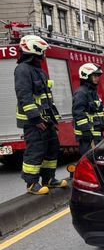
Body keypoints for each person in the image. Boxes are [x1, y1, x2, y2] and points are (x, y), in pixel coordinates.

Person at [14, 35, 68, 195]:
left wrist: (52, 118)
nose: (44, 54)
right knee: (35, 150)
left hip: (46, 119)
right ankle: (31, 184)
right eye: (42, 51)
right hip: (34, 122)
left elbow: (45, 97)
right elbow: (24, 95)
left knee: (52, 148)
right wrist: (36, 118)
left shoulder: (37, 70)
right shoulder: (23, 69)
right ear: (34, 50)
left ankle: (48, 179)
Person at [72, 63, 104, 155]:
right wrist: (86, 131)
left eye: (98, 76)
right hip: (87, 137)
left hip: (96, 135)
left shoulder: (93, 92)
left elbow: (99, 113)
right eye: (95, 76)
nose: (97, 78)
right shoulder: (81, 93)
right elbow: (78, 113)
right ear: (86, 76)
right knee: (89, 162)